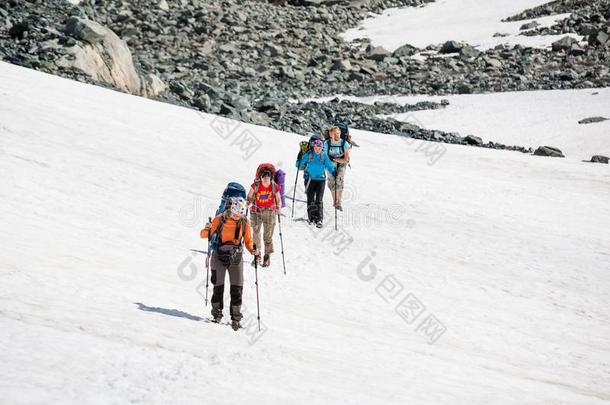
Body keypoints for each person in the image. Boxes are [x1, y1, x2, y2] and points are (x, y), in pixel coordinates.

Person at [200, 196, 258, 331]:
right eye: (236, 214)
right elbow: (203, 235)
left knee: (237, 289)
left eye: (240, 214)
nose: (238, 216)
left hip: (236, 257)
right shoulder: (219, 219)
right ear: (231, 209)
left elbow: (248, 241)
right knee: (218, 287)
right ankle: (216, 314)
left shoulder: (245, 222)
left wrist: (253, 250)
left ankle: (236, 318)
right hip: (218, 256)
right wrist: (207, 229)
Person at [296, 138, 336, 228]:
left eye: (320, 147)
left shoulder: (323, 156)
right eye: (316, 147)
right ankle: (311, 218)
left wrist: (334, 173)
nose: (318, 148)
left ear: (322, 148)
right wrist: (300, 156)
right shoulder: (309, 155)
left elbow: (329, 166)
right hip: (309, 179)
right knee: (310, 199)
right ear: (313, 146)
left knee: (319, 200)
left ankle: (319, 219)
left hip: (321, 180)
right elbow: (299, 165)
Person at [247, 165, 281, 267]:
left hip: (270, 212)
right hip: (256, 211)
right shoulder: (256, 185)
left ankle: (267, 256)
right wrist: (247, 202)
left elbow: (278, 199)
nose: (265, 181)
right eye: (264, 179)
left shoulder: (274, 186)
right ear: (260, 178)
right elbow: (249, 196)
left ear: (271, 178)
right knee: (256, 233)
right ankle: (257, 255)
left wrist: (278, 207)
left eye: (267, 179)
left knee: (268, 236)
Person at [324, 126, 352, 211]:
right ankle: (335, 201)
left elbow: (345, 159)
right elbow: (325, 157)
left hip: (341, 164)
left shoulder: (344, 143)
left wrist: (336, 159)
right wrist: (331, 165)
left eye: (338, 133)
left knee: (339, 181)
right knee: (332, 182)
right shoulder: (326, 143)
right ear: (330, 134)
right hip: (330, 165)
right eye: (335, 133)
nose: (337, 135)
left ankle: (339, 202)